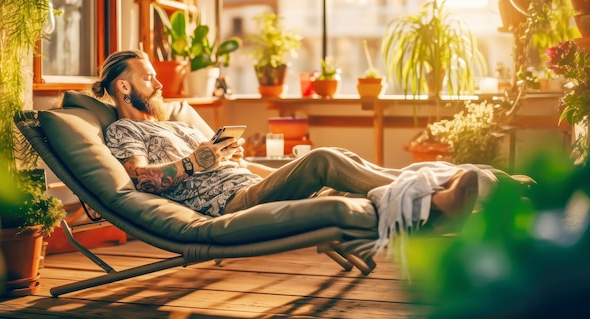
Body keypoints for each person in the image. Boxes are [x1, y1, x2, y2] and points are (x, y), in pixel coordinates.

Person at [92, 49, 478, 233]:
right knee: (323, 159)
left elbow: (223, 164)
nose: (159, 84)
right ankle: (434, 195)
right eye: (148, 79)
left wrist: (231, 157)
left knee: (337, 170)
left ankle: (432, 209)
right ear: (123, 87)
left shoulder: (177, 124)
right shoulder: (124, 131)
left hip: (252, 186)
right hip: (231, 205)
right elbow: (139, 178)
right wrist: (198, 161)